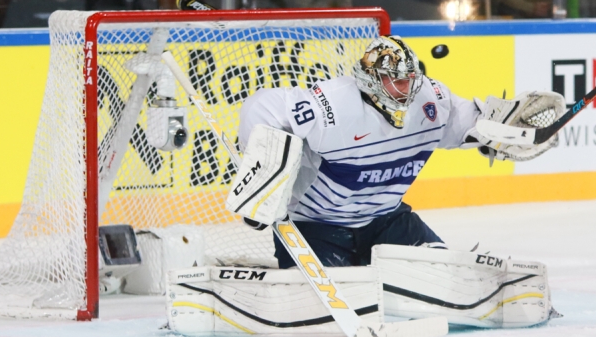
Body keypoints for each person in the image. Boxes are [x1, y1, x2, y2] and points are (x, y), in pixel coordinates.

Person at [233, 36, 561, 268]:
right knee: (324, 300)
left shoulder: (431, 100)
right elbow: (260, 106)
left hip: (387, 221)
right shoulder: (332, 107)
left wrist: (504, 131)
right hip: (317, 227)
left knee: (444, 276)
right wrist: (262, 181)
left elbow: (474, 124)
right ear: (371, 79)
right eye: (396, 80)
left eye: (410, 79)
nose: (407, 89)